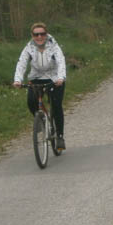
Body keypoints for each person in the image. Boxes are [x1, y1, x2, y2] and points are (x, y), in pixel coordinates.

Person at [13, 22, 67, 150]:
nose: (39, 37)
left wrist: (61, 77)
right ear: (32, 35)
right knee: (31, 101)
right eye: (36, 34)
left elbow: (61, 61)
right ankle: (41, 122)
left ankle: (59, 136)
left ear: (46, 34)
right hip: (36, 78)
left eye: (42, 34)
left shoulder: (54, 46)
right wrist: (18, 80)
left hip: (54, 78)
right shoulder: (29, 48)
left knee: (56, 105)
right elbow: (21, 63)